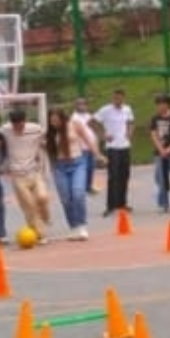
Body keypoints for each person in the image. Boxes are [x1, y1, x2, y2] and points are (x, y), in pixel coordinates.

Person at [44, 107, 105, 241]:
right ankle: (73, 227)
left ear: (62, 117)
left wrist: (97, 155)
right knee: (66, 198)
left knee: (78, 193)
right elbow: (46, 151)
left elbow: (88, 140)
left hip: (77, 162)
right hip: (59, 166)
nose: (54, 122)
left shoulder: (74, 124)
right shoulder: (48, 133)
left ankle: (82, 226)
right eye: (51, 120)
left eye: (56, 119)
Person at [0, 109, 52, 241]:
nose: (18, 128)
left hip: (34, 172)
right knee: (29, 206)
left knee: (43, 197)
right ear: (11, 124)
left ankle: (46, 216)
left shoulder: (36, 129)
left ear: (25, 121)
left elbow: (48, 137)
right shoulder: (5, 130)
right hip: (17, 176)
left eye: (21, 124)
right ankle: (40, 234)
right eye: (15, 125)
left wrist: (44, 147)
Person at [92, 89, 135, 218]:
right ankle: (110, 205)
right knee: (113, 176)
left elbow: (131, 123)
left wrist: (129, 133)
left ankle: (122, 203)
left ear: (123, 98)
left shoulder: (127, 109)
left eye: (120, 98)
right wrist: (102, 135)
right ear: (113, 98)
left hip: (125, 146)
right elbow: (92, 122)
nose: (118, 100)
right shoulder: (106, 110)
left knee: (124, 175)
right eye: (116, 98)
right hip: (112, 147)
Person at [70, 97, 100, 195]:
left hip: (91, 147)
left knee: (91, 167)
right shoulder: (74, 118)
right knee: (82, 169)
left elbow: (93, 129)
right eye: (80, 104)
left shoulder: (88, 115)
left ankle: (88, 186)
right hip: (81, 148)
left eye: (84, 104)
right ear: (76, 106)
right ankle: (81, 188)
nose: (82, 106)